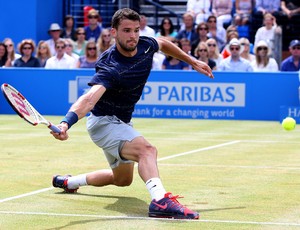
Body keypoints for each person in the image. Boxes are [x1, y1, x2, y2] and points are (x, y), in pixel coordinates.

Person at [51, 8, 213, 220]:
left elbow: (163, 43)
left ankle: (68, 182)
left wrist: (193, 62)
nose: (133, 36)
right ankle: (160, 201)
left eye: (136, 30)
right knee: (147, 151)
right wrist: (66, 123)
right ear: (113, 32)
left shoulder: (145, 44)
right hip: (104, 123)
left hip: (121, 121)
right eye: (126, 31)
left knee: (122, 179)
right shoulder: (111, 65)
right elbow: (89, 98)